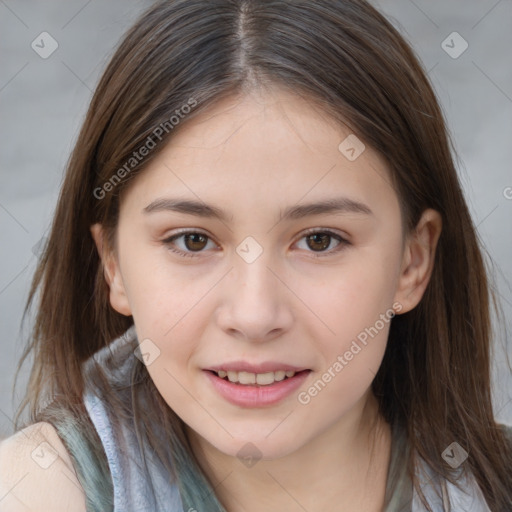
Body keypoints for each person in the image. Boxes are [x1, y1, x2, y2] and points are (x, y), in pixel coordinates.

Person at [0, 0, 511, 511]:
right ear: (114, 265)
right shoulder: (32, 492)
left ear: (411, 263)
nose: (254, 315)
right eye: (192, 240)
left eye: (319, 240)